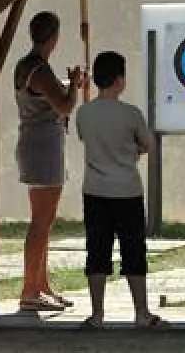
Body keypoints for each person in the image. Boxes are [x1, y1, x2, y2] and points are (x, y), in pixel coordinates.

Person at [75, 51, 166, 330]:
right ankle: (141, 313)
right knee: (133, 250)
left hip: (95, 189)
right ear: (119, 80)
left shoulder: (84, 112)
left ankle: (97, 314)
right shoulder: (131, 114)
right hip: (126, 190)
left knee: (97, 250)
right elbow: (148, 144)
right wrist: (132, 150)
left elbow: (84, 137)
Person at [13, 11, 83, 311]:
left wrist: (66, 83)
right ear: (53, 37)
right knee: (41, 221)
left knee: (44, 220)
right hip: (43, 147)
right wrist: (76, 85)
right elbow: (65, 106)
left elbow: (47, 94)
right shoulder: (39, 70)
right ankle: (30, 290)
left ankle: (41, 285)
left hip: (36, 144)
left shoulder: (26, 66)